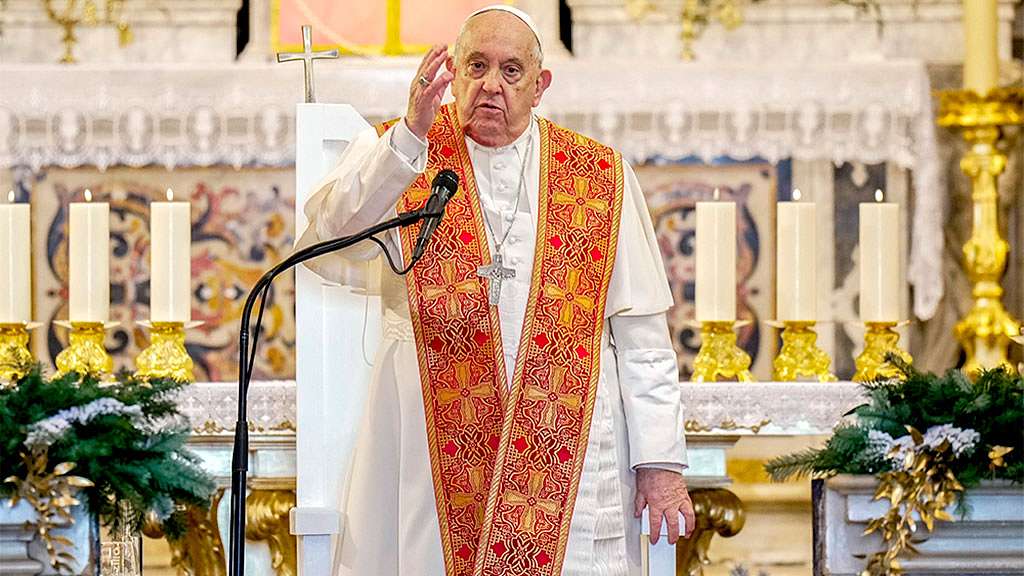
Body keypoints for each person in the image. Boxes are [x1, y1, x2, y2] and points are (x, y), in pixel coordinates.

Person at [297, 6, 694, 576]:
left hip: (565, 450)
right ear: (452, 73)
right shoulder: (404, 149)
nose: (491, 85)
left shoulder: (598, 175)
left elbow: (643, 336)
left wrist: (660, 462)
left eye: (511, 71)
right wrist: (410, 134)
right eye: (476, 66)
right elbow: (332, 235)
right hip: (434, 439)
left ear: (540, 85)